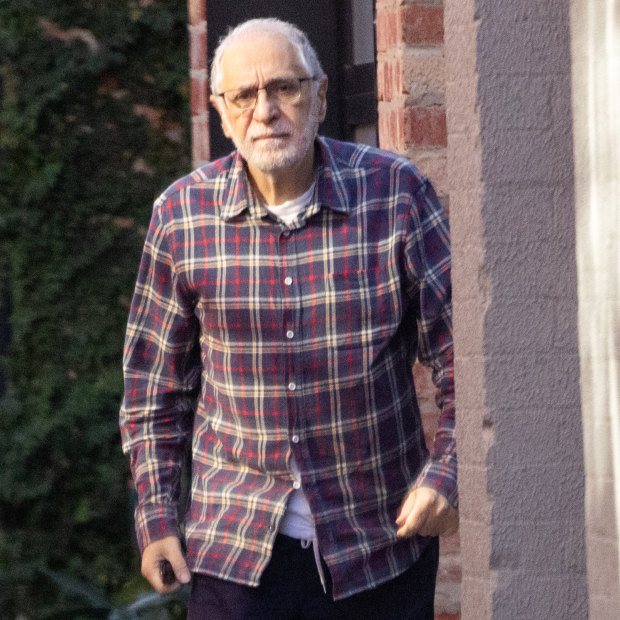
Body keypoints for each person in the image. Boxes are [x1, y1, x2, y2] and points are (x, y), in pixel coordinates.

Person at [120, 17, 457, 620]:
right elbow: (154, 392)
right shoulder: (180, 217)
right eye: (244, 96)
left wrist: (447, 474)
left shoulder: (396, 195)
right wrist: (157, 517)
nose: (265, 110)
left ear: (321, 96)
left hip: (377, 548)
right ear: (222, 114)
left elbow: (469, 355)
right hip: (235, 556)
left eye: (285, 88)